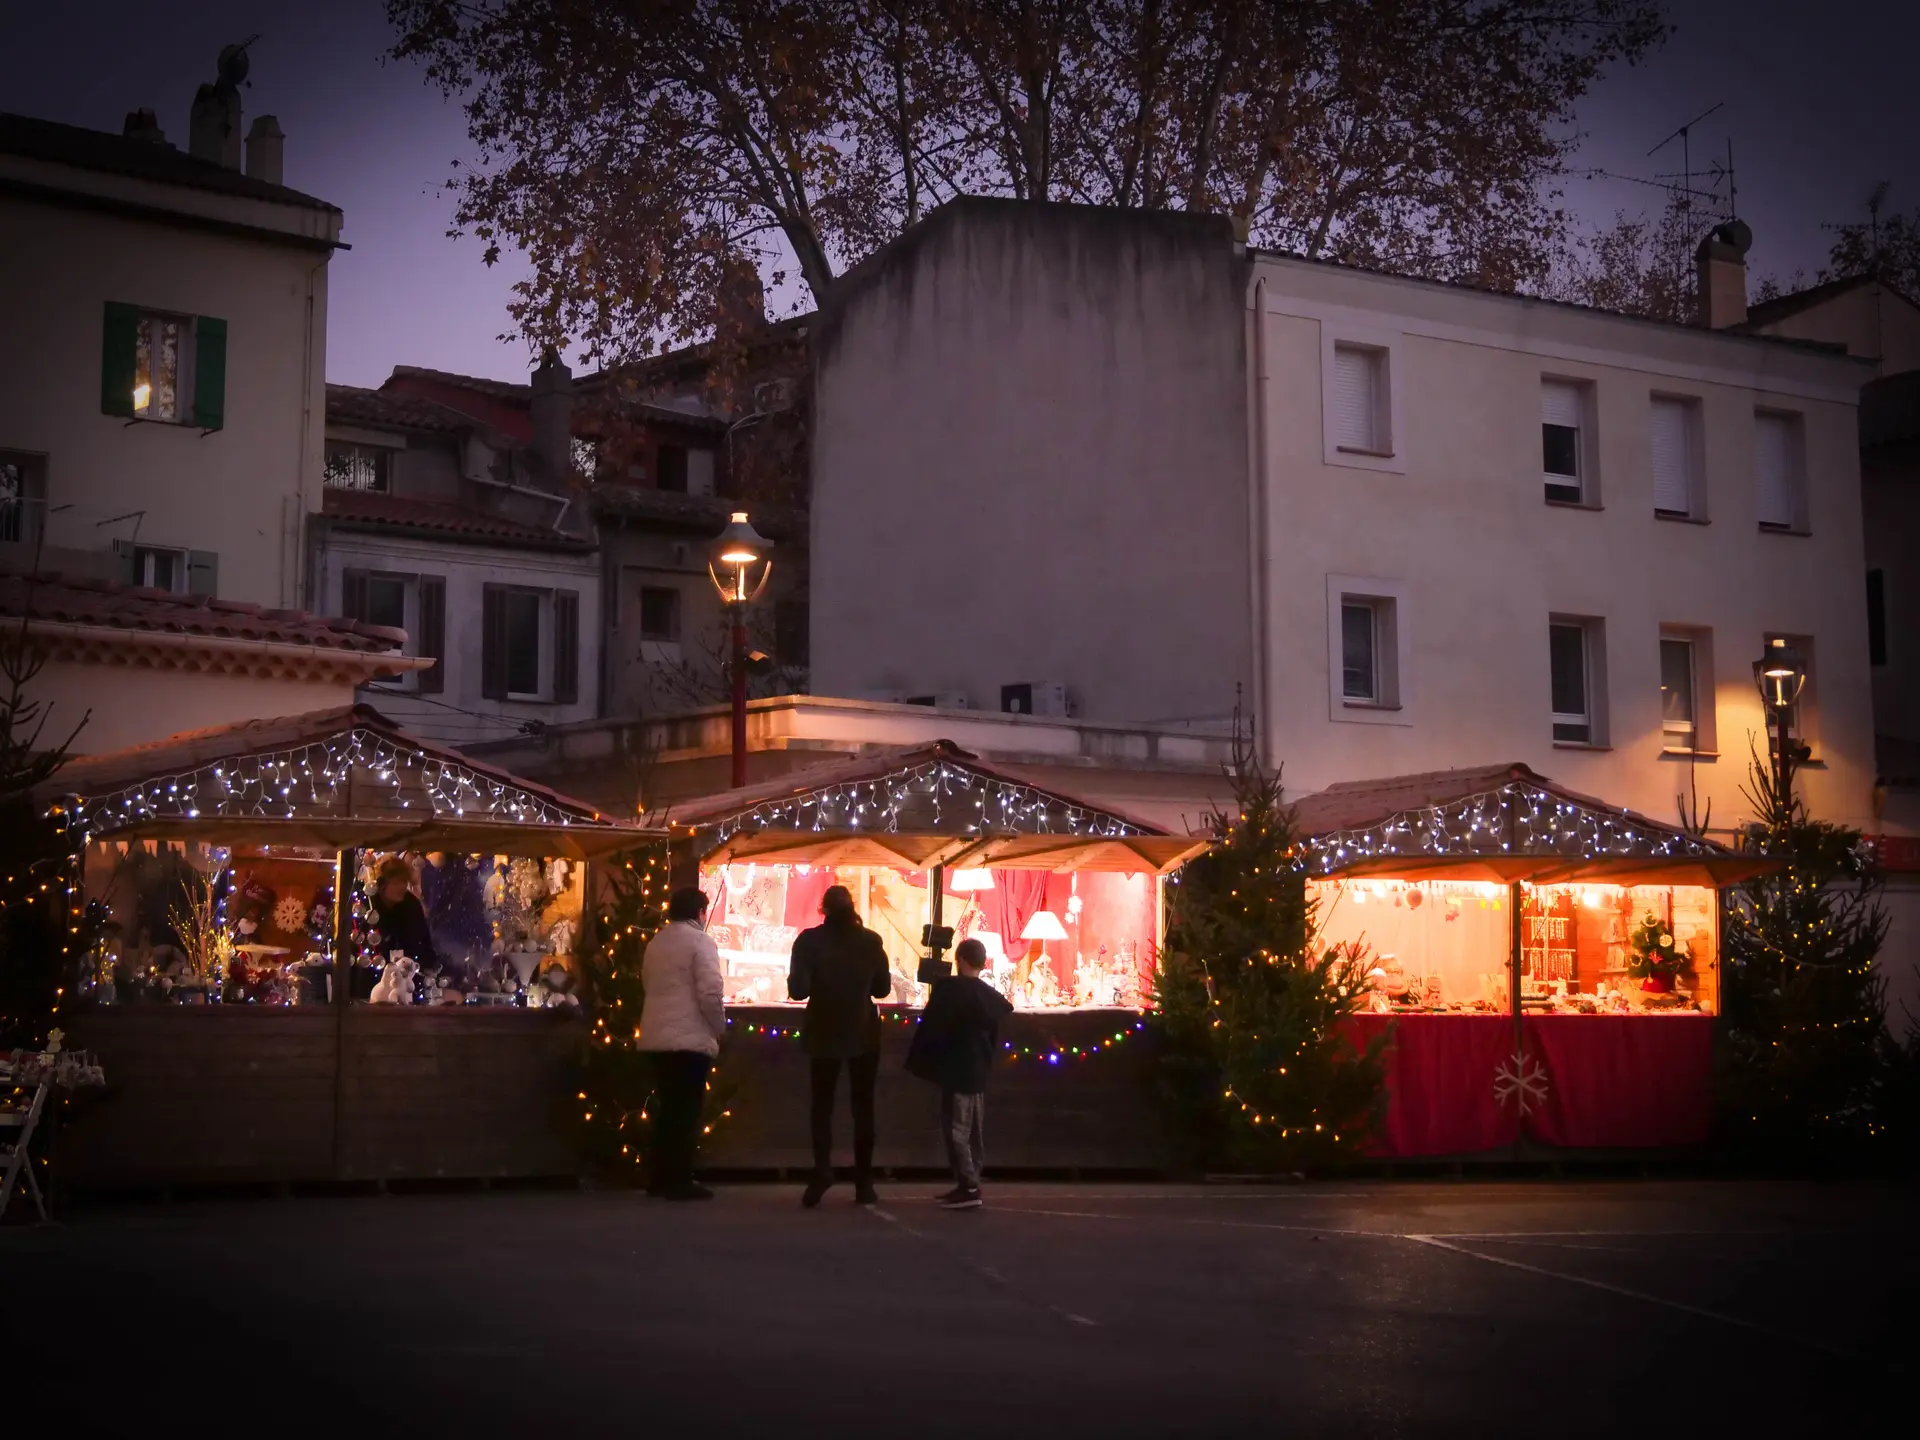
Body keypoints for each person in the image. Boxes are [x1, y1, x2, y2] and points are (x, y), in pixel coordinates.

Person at [788, 884, 893, 1207]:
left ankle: (822, 1169)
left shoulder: (808, 941)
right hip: (862, 1030)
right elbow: (882, 989)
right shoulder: (871, 941)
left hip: (822, 1028)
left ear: (825, 909)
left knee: (822, 1105)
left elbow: (799, 991)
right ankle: (864, 1182)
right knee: (863, 1106)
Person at [905, 938, 1013, 1210]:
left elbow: (932, 1029)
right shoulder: (991, 997)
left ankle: (968, 1186)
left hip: (955, 1068)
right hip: (978, 1070)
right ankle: (970, 1179)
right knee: (973, 1130)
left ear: (961, 959)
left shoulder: (949, 991)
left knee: (956, 1129)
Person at [637, 886, 728, 1201]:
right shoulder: (701, 943)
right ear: (700, 912)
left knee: (667, 1109)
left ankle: (660, 1176)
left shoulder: (656, 942)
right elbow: (710, 992)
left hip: (656, 1037)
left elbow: (648, 983)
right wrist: (719, 1027)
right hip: (690, 1039)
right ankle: (680, 1179)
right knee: (687, 1110)